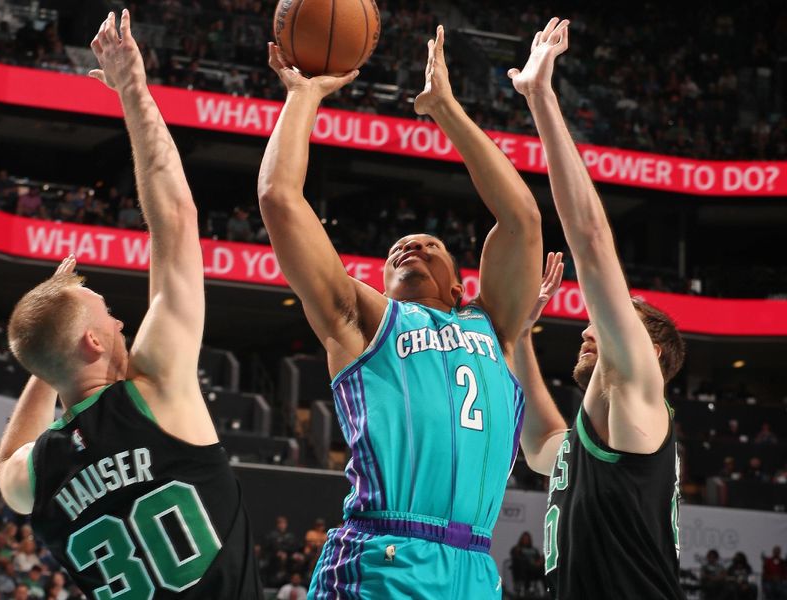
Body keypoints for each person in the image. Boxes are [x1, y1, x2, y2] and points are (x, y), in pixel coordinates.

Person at [258, 24, 542, 599]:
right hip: (383, 559)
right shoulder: (365, 320)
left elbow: (521, 221)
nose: (408, 248)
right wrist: (302, 97)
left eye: (429, 245)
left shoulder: (494, 325)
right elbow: (279, 201)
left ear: (463, 287)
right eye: (395, 253)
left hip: (473, 569)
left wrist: (445, 109)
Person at [0, 10, 261, 599]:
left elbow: (9, 455)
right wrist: (134, 91)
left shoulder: (33, 477)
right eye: (107, 314)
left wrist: (47, 366)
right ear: (93, 342)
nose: (120, 320)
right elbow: (175, 219)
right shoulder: (157, 386)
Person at [507, 18, 686, 599]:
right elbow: (539, 445)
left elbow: (589, 237)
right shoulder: (589, 447)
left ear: (649, 348)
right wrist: (518, 335)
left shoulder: (637, 385)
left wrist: (541, 98)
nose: (590, 324)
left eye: (611, 319)